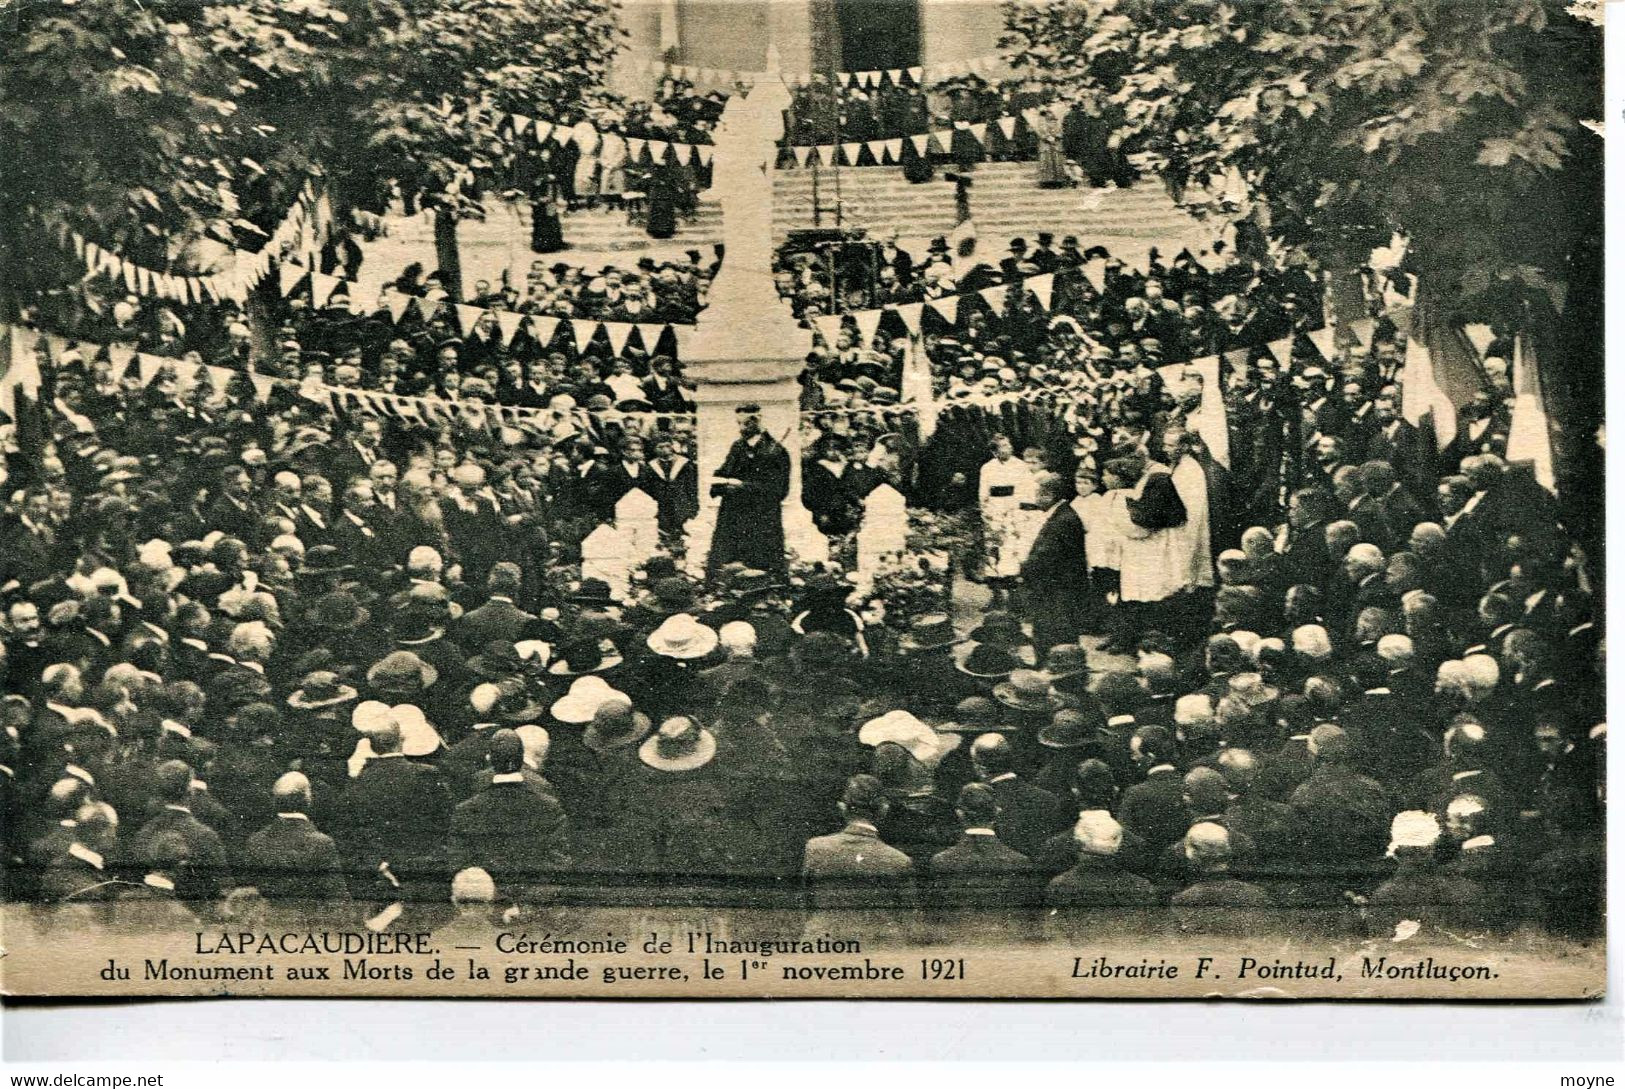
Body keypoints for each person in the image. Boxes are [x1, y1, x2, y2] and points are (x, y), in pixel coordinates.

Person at [708, 403, 790, 576]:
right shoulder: (737, 447)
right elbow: (723, 472)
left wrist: (743, 486)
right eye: (738, 423)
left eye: (745, 424)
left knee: (761, 564)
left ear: (757, 422)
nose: (741, 428)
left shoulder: (776, 451)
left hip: (761, 516)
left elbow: (779, 489)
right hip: (734, 514)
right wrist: (720, 483)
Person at [1018, 472, 1090, 653]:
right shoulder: (1061, 514)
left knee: (1055, 633)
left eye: (1037, 494)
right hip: (1057, 588)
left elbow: (1046, 556)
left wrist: (1022, 569)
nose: (1034, 498)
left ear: (1048, 495)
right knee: (1053, 632)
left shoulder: (1063, 520)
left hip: (1058, 590)